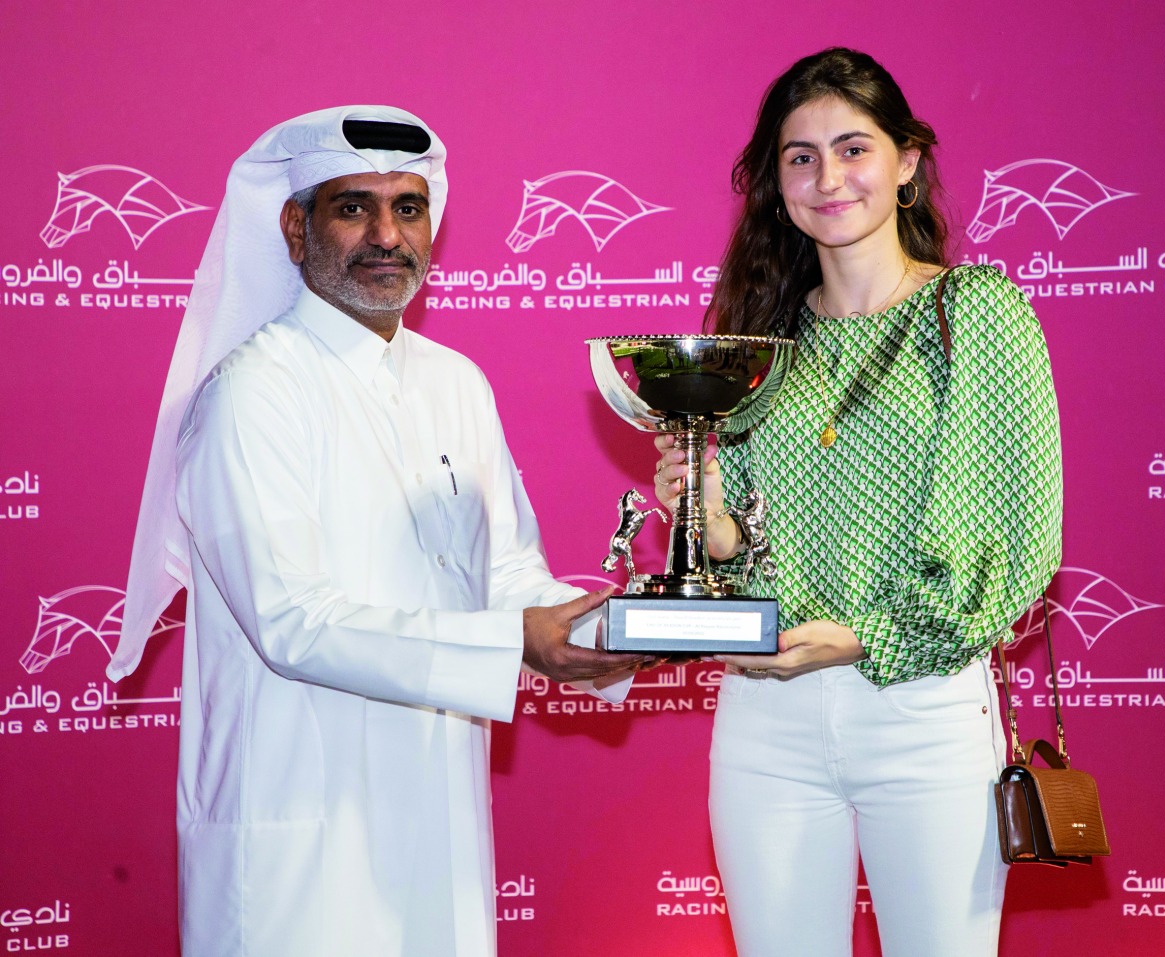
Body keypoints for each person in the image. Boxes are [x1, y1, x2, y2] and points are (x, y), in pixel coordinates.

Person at [107, 106, 648, 957]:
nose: (387, 235)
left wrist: (605, 627)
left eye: (409, 207)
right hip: (303, 830)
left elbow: (504, 572)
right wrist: (517, 643)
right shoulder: (253, 391)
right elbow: (294, 620)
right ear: (295, 226)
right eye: (353, 207)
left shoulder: (457, 382)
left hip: (439, 815)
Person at [652, 49, 1062, 957]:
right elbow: (737, 544)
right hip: (766, 715)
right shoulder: (763, 334)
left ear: (907, 159)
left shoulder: (977, 310)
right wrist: (703, 515)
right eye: (800, 157)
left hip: (919, 708)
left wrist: (868, 637)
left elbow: (1015, 537)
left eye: (853, 148)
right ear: (775, 182)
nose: (827, 177)